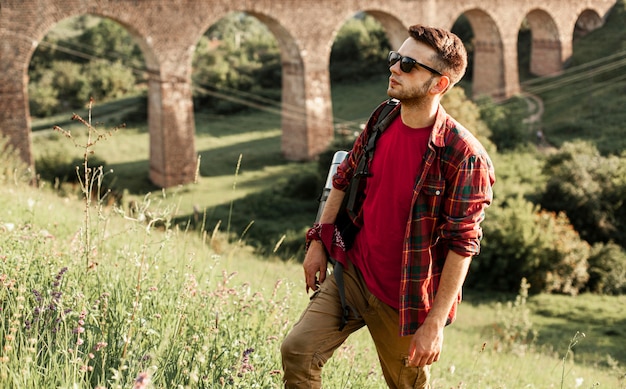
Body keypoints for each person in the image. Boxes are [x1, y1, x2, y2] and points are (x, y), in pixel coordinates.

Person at [280, 24, 495, 389]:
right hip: (353, 272)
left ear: (439, 84)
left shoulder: (464, 156)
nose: (394, 67)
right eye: (395, 58)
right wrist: (318, 240)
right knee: (297, 352)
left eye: (408, 64)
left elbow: (463, 246)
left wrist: (434, 325)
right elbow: (344, 175)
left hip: (405, 301)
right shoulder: (384, 116)